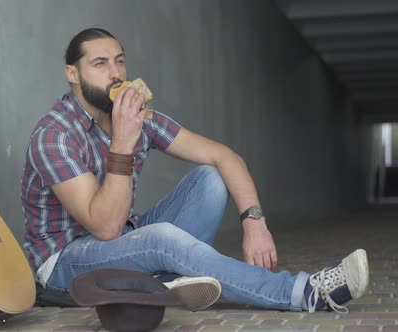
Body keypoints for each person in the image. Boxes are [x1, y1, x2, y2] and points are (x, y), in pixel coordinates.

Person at [21, 28, 369, 313]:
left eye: (119, 62)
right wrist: (123, 143)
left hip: (123, 238)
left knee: (211, 178)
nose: (115, 74)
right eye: (99, 64)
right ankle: (304, 292)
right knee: (161, 239)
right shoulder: (54, 136)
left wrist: (255, 222)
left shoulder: (137, 116)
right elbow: (106, 227)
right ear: (73, 74)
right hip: (65, 264)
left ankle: (166, 276)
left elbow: (224, 156)